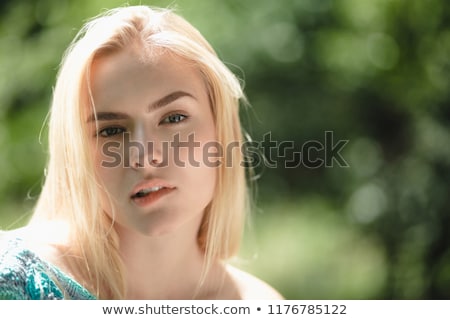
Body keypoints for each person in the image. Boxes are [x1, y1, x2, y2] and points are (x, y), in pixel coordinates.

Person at [0, 5, 282, 300]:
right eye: (110, 131)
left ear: (221, 129)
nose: (144, 156)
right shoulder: (15, 283)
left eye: (173, 118)